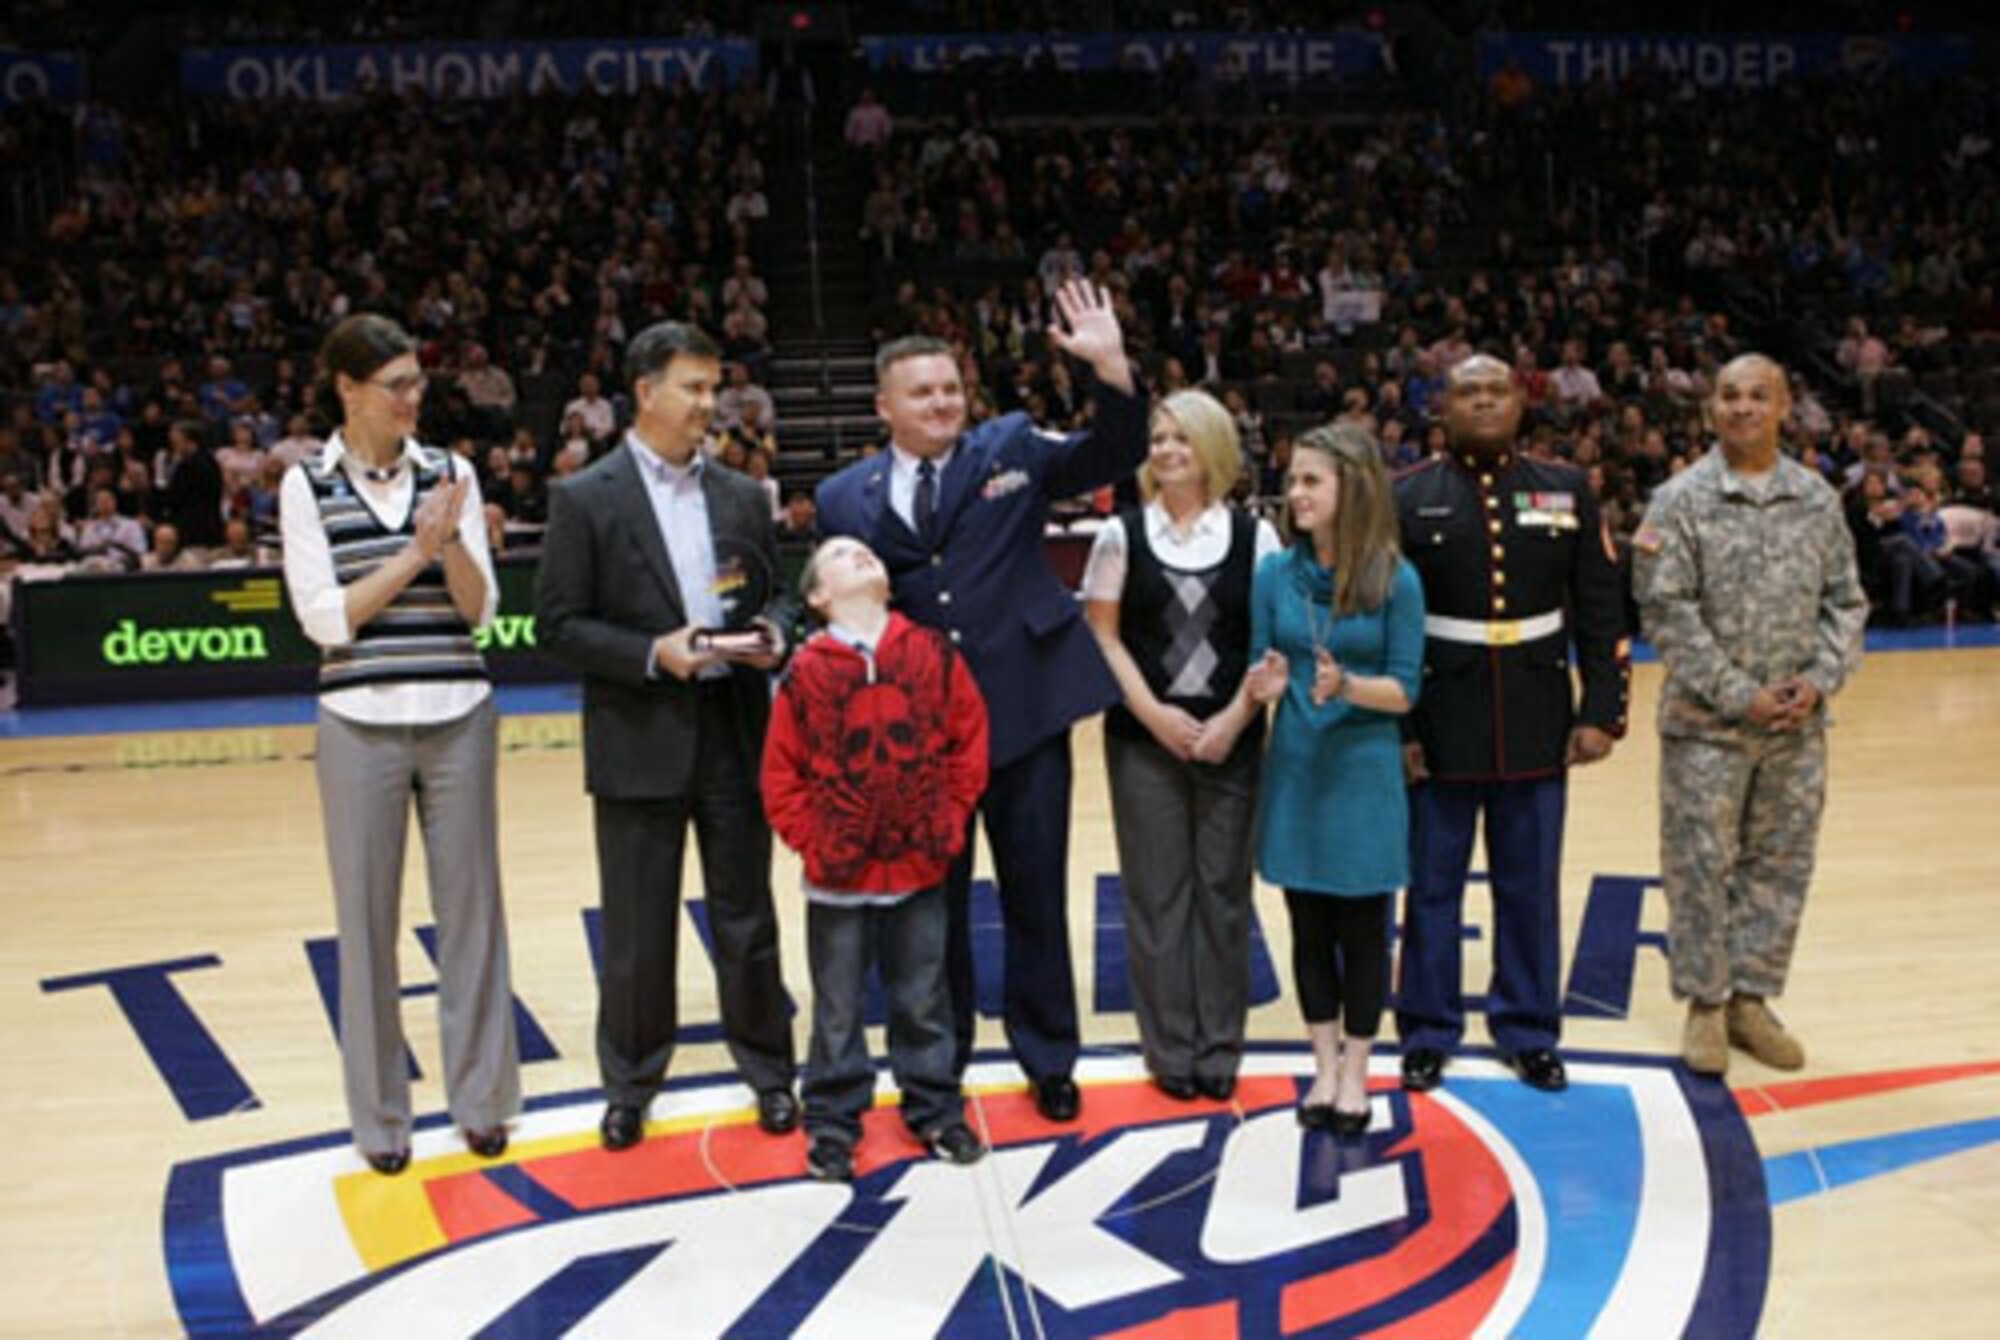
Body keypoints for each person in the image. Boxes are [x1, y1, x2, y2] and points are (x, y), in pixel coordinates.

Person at [814, 279, 1147, 1122]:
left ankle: (1049, 1058)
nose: (942, 403)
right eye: (922, 392)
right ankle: (940, 1060)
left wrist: (1111, 370)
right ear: (884, 404)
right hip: (919, 736)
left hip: (1027, 711)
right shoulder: (840, 498)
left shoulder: (1010, 446)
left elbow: (1106, 457)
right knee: (935, 906)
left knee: (1037, 892)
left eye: (952, 388)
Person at [535, 321, 799, 1152]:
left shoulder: (738, 493)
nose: (709, 404)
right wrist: (651, 653)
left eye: (713, 388)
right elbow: (557, 624)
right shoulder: (585, 496)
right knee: (638, 930)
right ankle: (631, 1082)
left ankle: (768, 1070)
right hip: (639, 732)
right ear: (644, 393)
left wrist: (777, 632)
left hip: (733, 726)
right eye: (693, 387)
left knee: (748, 920)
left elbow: (779, 594)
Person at [279, 313, 520, 1175]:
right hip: (357, 721)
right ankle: (381, 1120)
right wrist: (413, 550)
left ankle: (485, 1102)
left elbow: (480, 609)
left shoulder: (451, 470)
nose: (415, 397)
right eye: (398, 385)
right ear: (348, 389)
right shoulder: (306, 484)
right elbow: (325, 619)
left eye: (418, 381)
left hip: (460, 710)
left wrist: (451, 539)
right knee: (366, 926)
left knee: (473, 919)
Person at [1394, 353, 1629, 1095]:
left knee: (1529, 886)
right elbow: (1383, 618)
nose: (1486, 402)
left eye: (1498, 390)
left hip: (1535, 714)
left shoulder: (1566, 490)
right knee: (1432, 887)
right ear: (1445, 407)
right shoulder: (1406, 496)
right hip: (1438, 717)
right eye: (1470, 392)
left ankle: (1528, 1027)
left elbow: (1600, 606)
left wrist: (1602, 711)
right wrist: (1397, 731)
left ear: (1521, 404)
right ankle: (1428, 1029)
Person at [1631, 354, 1867, 1076]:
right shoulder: (1679, 501)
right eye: (1728, 396)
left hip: (1796, 729)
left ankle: (1751, 999)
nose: (1741, 408)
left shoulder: (1817, 500)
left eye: (1756, 396)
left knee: (1779, 864)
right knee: (1701, 866)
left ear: (1783, 406)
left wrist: (1819, 682)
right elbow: (1666, 612)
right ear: (1711, 411)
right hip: (1708, 727)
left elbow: (1847, 603)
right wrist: (1741, 693)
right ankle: (1705, 1003)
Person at [761, 537, 991, 1183]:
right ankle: (833, 1121)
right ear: (816, 596)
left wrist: (947, 819)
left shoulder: (930, 654)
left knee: (923, 996)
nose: (858, 555)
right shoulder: (805, 673)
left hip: (919, 868)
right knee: (836, 1008)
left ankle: (935, 1108)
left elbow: (968, 739)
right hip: (837, 880)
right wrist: (815, 836)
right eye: (839, 554)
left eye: (866, 552)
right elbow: (781, 773)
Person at [1080, 389, 1281, 1102]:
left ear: (1214, 450)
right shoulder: (1119, 535)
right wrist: (1154, 713)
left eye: (1181, 439)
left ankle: (1219, 1045)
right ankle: (1170, 1051)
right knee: (1157, 898)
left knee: (1224, 896)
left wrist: (1233, 717)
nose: (1166, 450)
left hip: (1235, 739)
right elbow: (1102, 634)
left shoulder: (1257, 539)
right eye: (1159, 438)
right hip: (1143, 742)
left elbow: (1271, 642)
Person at [1244, 426, 1424, 1133]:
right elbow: (1263, 663)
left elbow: (1406, 691)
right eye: (1293, 482)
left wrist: (1347, 685)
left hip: (1364, 772)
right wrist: (1266, 683)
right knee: (1308, 928)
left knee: (1362, 928)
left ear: (1353, 487)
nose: (1296, 495)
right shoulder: (1274, 575)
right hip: (1295, 767)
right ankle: (1322, 1067)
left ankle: (1357, 1071)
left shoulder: (1396, 579)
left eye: (1311, 481)